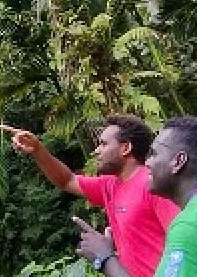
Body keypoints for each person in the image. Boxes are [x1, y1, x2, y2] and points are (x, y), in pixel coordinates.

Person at [0, 114, 179, 277]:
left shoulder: (153, 185)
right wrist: (38, 150)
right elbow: (66, 181)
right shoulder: (110, 185)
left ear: (125, 148)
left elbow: (183, 244)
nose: (96, 151)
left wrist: (106, 255)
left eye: (103, 144)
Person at [75, 116, 197, 276]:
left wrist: (104, 258)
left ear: (178, 161)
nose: (147, 163)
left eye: (154, 154)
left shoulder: (186, 227)